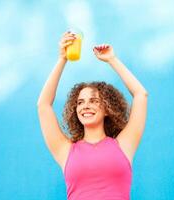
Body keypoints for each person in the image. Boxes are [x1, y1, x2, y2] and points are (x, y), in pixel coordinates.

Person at [37, 31, 148, 200]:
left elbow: (141, 94)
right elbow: (43, 105)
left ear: (107, 109)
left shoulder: (124, 144)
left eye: (94, 101)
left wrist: (112, 59)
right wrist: (62, 58)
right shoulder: (66, 151)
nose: (86, 106)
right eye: (80, 102)